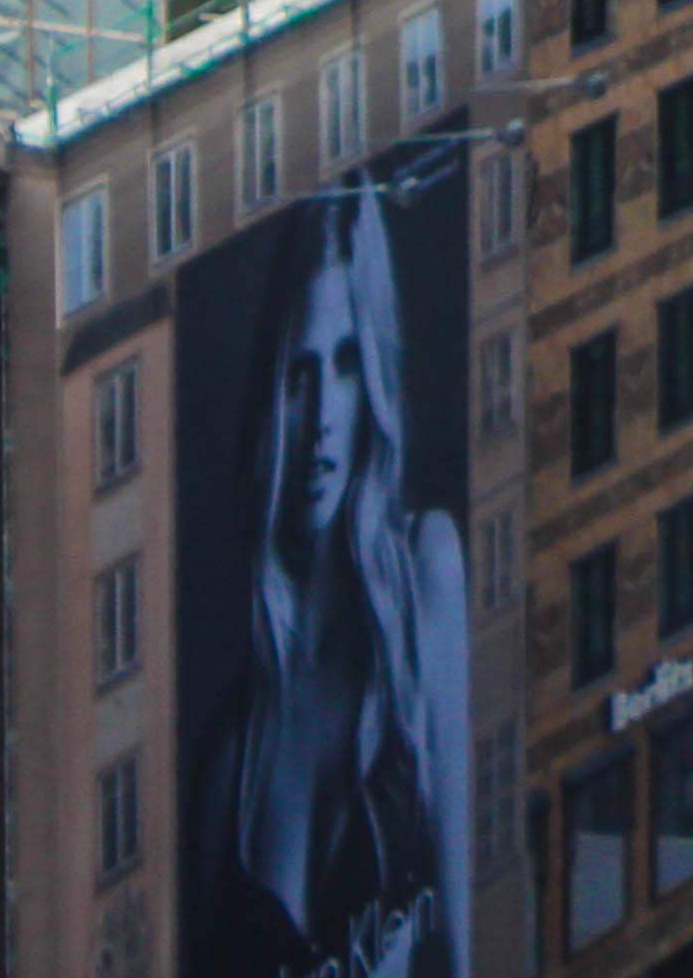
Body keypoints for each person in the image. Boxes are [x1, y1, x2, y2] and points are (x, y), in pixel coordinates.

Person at [195, 183, 475, 978]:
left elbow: (460, 932)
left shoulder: (428, 573)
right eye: (299, 374)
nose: (320, 415)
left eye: (347, 365)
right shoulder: (227, 765)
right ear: (270, 398)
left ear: (374, 388)